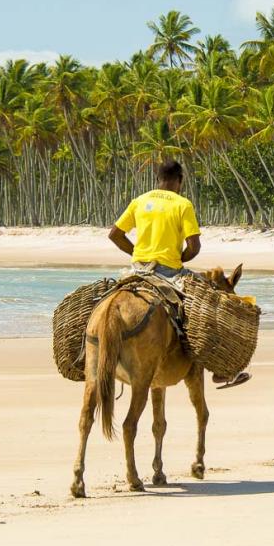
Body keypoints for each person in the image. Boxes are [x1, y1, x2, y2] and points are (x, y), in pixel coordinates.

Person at [108, 159, 250, 388]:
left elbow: (114, 235)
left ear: (157, 179)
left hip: (137, 270)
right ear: (180, 181)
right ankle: (223, 370)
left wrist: (139, 253)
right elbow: (194, 248)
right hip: (169, 272)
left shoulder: (140, 201)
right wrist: (177, 258)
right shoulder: (182, 204)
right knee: (209, 308)